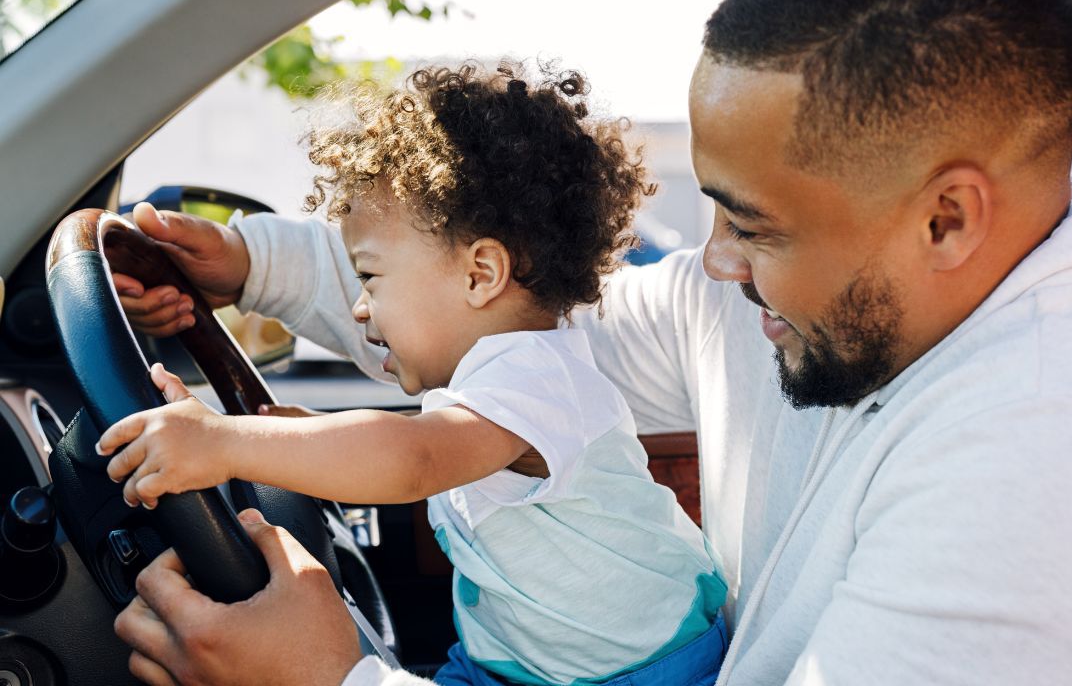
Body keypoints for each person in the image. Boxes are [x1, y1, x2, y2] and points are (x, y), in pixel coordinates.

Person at [113, 0, 1072, 684]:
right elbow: (522, 318)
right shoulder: (828, 292)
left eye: (754, 226)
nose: (712, 262)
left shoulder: (1060, 479)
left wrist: (334, 684)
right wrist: (255, 264)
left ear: (945, 219)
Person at [104, 64, 728, 686]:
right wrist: (301, 437)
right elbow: (418, 446)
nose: (359, 307)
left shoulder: (539, 376)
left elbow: (412, 459)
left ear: (481, 274)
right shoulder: (488, 390)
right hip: (513, 661)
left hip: (643, 674)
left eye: (370, 277)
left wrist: (226, 443)